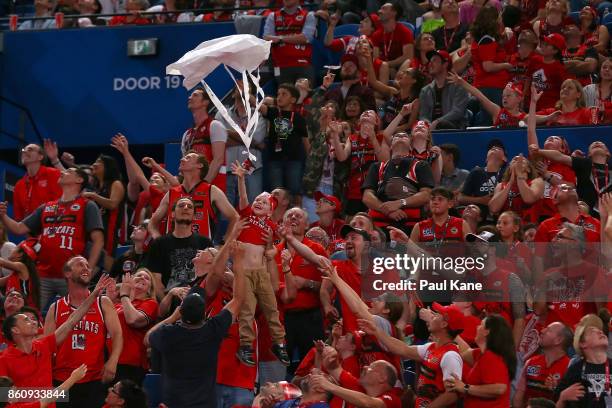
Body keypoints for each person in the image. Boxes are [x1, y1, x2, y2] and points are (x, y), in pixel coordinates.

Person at [145, 240, 245, 408]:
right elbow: (239, 299)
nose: (199, 252)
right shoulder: (212, 330)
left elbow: (148, 338)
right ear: (204, 314)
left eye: (205, 251)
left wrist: (172, 317)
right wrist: (239, 261)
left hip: (175, 401)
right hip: (208, 397)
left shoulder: (170, 332)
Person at [0, 167, 104, 310]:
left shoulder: (87, 205)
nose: (62, 172)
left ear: (79, 180)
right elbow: (19, 228)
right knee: (29, 313)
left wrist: (88, 270)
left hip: (71, 276)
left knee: (77, 318)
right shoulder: (47, 207)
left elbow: (98, 240)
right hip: (42, 275)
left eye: (68, 172)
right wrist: (3, 216)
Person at [0, 277, 111, 401]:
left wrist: (93, 295)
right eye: (26, 320)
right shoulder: (4, 359)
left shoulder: (44, 345)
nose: (33, 322)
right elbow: (3, 396)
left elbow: (71, 321)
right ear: (15, 330)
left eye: (32, 319)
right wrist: (44, 397)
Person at [229, 162, 288, 367]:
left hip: (261, 273)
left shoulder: (271, 226)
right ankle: (246, 346)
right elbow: (244, 198)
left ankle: (279, 343)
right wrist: (240, 178)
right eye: (257, 199)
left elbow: (286, 239)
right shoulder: (248, 216)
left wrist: (274, 249)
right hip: (243, 271)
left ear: (271, 211)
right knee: (246, 310)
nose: (258, 202)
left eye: (264, 201)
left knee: (272, 309)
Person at [44, 256, 123, 408]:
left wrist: (113, 361)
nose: (86, 268)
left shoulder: (103, 302)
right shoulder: (56, 307)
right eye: (80, 265)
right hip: (61, 379)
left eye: (88, 265)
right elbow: (47, 345)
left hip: (93, 378)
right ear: (67, 273)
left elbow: (117, 334)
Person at [360, 303, 464, 406]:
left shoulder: (450, 355)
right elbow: (402, 349)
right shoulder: (431, 347)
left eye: (436, 315)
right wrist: (376, 331)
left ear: (444, 324)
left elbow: (452, 394)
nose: (432, 317)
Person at [274, 207, 328, 375]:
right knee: (281, 367)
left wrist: (307, 283)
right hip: (283, 318)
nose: (293, 218)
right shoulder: (273, 253)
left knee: (312, 367)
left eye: (298, 216)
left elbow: (328, 286)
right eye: (289, 215)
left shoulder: (316, 250)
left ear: (306, 225)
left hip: (310, 317)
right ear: (282, 223)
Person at [148, 151, 238, 240]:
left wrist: (225, 242)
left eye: (188, 158)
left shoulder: (212, 190)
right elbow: (152, 223)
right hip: (173, 251)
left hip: (201, 252)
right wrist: (159, 240)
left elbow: (235, 217)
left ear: (199, 165)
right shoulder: (171, 193)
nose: (182, 159)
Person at [536, 223, 607, 329]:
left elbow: (601, 315)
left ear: (575, 243)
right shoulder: (548, 274)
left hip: (579, 341)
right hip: (553, 340)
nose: (553, 241)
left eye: (559, 237)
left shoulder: (595, 272)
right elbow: (539, 310)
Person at [362, 131, 434, 233]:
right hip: (379, 227)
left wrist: (400, 203)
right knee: (379, 247)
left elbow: (426, 194)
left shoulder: (421, 165)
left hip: (410, 225)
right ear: (390, 146)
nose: (400, 137)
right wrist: (387, 210)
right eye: (396, 136)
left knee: (401, 249)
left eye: (405, 136)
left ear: (410, 147)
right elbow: (367, 197)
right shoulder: (377, 167)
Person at [145, 197, 214, 299]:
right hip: (170, 301)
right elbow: (156, 282)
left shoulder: (205, 243)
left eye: (190, 207)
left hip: (199, 301)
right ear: (172, 214)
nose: (185, 208)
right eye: (181, 206)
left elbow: (212, 277)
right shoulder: (159, 244)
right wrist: (166, 305)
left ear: (194, 216)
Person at [445, 315, 516, 407]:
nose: (477, 327)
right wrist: (451, 332)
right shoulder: (481, 354)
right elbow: (465, 352)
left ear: (487, 332)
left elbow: (500, 388)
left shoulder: (491, 357)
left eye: (480, 325)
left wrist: (465, 387)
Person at [329, 111, 389, 216]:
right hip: (354, 190)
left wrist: (373, 139)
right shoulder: (352, 138)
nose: (366, 113)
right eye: (364, 113)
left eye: (370, 113)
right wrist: (335, 135)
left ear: (376, 122)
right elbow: (342, 157)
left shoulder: (380, 138)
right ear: (358, 122)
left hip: (374, 190)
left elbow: (385, 161)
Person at [218, 81, 267, 206]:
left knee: (253, 207)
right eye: (238, 87)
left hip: (252, 169)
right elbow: (220, 139)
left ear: (250, 94)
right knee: (225, 212)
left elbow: (257, 138)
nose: (241, 89)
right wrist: (250, 142)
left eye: (245, 88)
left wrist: (228, 132)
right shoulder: (222, 113)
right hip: (228, 168)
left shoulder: (258, 114)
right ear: (233, 94)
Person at [260, 83, 309, 205]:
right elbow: (258, 106)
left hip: (294, 160)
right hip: (274, 160)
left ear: (293, 99)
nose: (279, 97)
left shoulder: (298, 118)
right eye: (278, 94)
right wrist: (244, 90)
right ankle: (276, 220)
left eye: (284, 94)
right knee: (276, 193)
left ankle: (297, 216)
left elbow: (306, 143)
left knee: (295, 191)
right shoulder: (274, 113)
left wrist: (309, 163)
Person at [532, 140, 611, 214]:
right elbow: (559, 156)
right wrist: (538, 151)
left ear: (608, 153)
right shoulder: (584, 163)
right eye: (593, 145)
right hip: (585, 214)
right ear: (589, 154)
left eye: (602, 145)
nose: (597, 143)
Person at [113, 270, 159, 385]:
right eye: (139, 275)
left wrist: (124, 295)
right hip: (110, 360)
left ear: (149, 289)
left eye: (147, 278)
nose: (142, 278)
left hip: (131, 363)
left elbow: (132, 319)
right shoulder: (118, 305)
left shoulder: (150, 304)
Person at [309, 352, 401, 408]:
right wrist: (330, 357)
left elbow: (368, 403)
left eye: (371, 367)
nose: (365, 367)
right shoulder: (357, 387)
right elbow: (335, 369)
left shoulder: (393, 399)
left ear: (382, 378)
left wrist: (330, 386)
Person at [469, 7, 513, 126]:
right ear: (492, 20)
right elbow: (488, 66)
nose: (500, 19)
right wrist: (506, 65)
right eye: (498, 16)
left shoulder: (485, 38)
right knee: (489, 121)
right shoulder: (486, 40)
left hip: (490, 87)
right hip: (491, 88)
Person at [83, 154, 126, 271]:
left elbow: (113, 204)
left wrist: (94, 196)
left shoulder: (116, 183)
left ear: (107, 167)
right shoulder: (96, 187)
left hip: (109, 228)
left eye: (98, 162)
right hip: (95, 228)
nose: (94, 165)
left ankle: (110, 285)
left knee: (107, 264)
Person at [513, 322, 572, 407]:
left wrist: (556, 389)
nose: (542, 331)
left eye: (548, 330)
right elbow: (519, 395)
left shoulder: (570, 367)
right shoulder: (530, 362)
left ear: (558, 340)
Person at [180, 88, 228, 192]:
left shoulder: (215, 126)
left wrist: (203, 185)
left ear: (205, 102)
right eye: (190, 95)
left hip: (214, 187)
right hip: (191, 188)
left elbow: (218, 159)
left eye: (195, 95)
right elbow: (184, 165)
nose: (190, 97)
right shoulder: (187, 135)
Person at [554, 325, 611, 407]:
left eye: (601, 331)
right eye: (592, 331)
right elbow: (557, 403)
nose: (600, 332)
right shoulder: (575, 370)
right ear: (582, 344)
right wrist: (562, 398)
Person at [262, 0, 316, 84]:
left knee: (304, 93)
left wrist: (280, 38)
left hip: (303, 64)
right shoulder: (273, 16)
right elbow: (266, 38)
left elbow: (306, 38)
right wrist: (295, 37)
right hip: (280, 65)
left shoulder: (308, 15)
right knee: (284, 95)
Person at [418, 49, 470, 129]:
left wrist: (437, 122)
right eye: (430, 61)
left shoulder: (458, 86)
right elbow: (423, 115)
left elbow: (457, 112)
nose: (430, 64)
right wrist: (427, 125)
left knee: (442, 125)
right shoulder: (425, 90)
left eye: (434, 60)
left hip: (456, 128)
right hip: (432, 129)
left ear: (445, 64)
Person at [458, 141, 507, 221]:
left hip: (500, 216)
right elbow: (460, 198)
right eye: (491, 149)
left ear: (504, 159)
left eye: (498, 149)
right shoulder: (476, 172)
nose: (494, 148)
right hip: (479, 217)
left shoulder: (506, 173)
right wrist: (480, 200)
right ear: (486, 158)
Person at [14, 142, 62, 222]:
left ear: (40, 157)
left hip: (55, 228)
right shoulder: (19, 185)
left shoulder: (53, 174)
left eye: (30, 149)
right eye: (23, 150)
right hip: (31, 232)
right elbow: (19, 219)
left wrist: (55, 159)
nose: (24, 152)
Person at [488, 155, 545, 222]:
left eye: (522, 161)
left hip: (528, 229)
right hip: (506, 229)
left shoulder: (537, 181)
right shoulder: (500, 186)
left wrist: (519, 175)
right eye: (514, 160)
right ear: (509, 169)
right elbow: (493, 209)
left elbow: (529, 199)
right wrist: (510, 183)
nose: (517, 162)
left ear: (528, 169)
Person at [371, 2, 414, 74]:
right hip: (383, 68)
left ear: (394, 13)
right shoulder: (376, 34)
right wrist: (386, 67)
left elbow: (408, 57)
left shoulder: (405, 32)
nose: (379, 11)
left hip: (401, 68)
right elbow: (376, 59)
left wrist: (387, 64)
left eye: (383, 9)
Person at [531, 33, 568, 111]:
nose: (542, 46)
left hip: (550, 109)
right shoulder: (535, 60)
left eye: (547, 45)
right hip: (532, 105)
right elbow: (528, 78)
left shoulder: (559, 68)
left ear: (555, 51)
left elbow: (564, 88)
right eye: (543, 43)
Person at [0, 240, 41, 309]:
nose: (12, 250)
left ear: (20, 254)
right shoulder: (15, 274)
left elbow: (2, 262)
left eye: (15, 248)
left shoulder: (22, 266)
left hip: (25, 311)